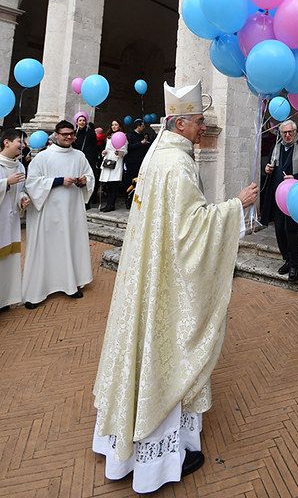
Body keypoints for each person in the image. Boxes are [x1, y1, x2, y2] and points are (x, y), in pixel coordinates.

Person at [92, 81, 258, 493]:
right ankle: (158, 461)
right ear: (182, 123)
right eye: (200, 121)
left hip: (149, 267)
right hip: (165, 275)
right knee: (164, 348)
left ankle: (124, 441)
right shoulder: (177, 164)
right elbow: (191, 229)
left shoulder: (158, 154)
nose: (204, 127)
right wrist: (237, 206)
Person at [22, 120, 95, 309]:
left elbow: (90, 176)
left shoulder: (79, 156)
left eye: (71, 134)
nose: (69, 137)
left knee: (69, 244)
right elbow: (32, 183)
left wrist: (82, 181)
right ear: (56, 135)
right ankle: (39, 290)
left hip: (71, 211)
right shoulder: (43, 157)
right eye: (64, 134)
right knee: (47, 247)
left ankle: (70, 284)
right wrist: (59, 181)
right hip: (48, 211)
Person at [261, 119, 298, 282]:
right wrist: (267, 169)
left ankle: (294, 265)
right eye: (284, 132)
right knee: (279, 230)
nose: (287, 135)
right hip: (278, 198)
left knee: (291, 231)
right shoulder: (275, 148)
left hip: (295, 198)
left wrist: (296, 177)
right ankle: (287, 259)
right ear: (280, 134)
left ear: (295, 133)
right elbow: (270, 170)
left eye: (290, 132)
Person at [0, 129, 30, 310]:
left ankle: (4, 299)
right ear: (6, 142)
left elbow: (21, 190)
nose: (23, 145)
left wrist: (22, 198)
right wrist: (5, 183)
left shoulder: (19, 166)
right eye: (20, 141)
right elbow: (11, 185)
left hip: (11, 222)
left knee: (8, 260)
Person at [99, 119, 127, 212]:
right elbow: (107, 148)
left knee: (114, 183)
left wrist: (119, 153)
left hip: (116, 160)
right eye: (112, 125)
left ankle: (111, 205)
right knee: (108, 184)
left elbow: (125, 150)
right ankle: (108, 204)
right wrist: (104, 152)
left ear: (120, 126)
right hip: (108, 160)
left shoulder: (123, 136)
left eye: (116, 125)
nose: (114, 126)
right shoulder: (109, 137)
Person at [73, 112, 99, 207]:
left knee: (87, 178)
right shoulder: (74, 133)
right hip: (76, 158)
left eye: (84, 120)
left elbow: (94, 146)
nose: (82, 122)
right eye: (80, 120)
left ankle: (88, 200)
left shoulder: (90, 132)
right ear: (76, 122)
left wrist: (95, 158)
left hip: (89, 158)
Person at [124, 118, 151, 193]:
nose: (144, 127)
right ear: (138, 126)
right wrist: (141, 143)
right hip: (132, 161)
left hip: (140, 161)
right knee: (130, 179)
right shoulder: (130, 135)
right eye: (142, 126)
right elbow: (129, 147)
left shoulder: (141, 135)